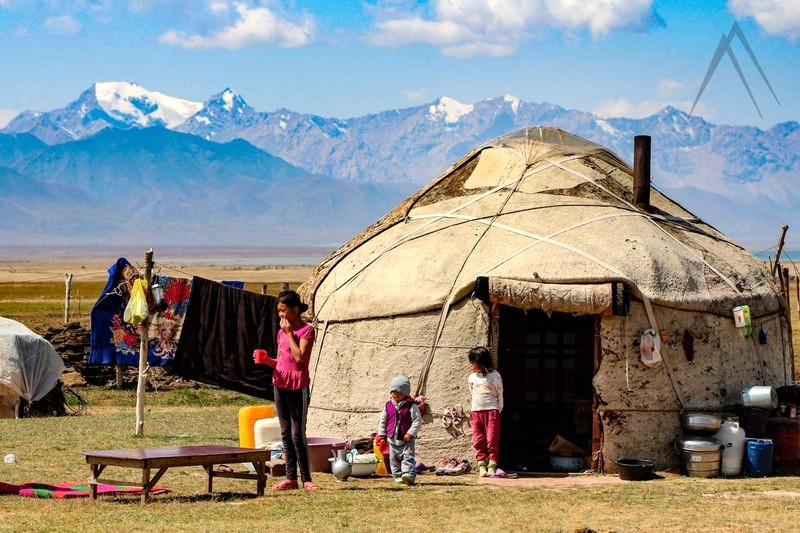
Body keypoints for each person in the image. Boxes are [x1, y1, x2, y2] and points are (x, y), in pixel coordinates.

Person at [253, 290, 317, 490]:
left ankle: (307, 479)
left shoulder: (306, 331)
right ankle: (291, 478)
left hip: (298, 386)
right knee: (285, 433)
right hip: (279, 384)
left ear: (295, 310)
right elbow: (282, 361)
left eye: (284, 310)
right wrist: (266, 361)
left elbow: (299, 359)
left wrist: (290, 334)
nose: (281, 315)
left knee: (298, 433)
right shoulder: (281, 332)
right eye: (279, 311)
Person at [377, 375, 421, 485]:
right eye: (393, 391)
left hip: (406, 439)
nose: (395, 394)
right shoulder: (388, 405)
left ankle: (408, 474)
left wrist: (410, 433)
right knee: (394, 459)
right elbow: (383, 421)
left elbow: (417, 421)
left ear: (405, 393)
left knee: (407, 457)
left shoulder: (411, 406)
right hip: (392, 438)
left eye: (399, 392)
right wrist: (382, 435)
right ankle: (397, 475)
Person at [468, 346, 503, 477]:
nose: (471, 365)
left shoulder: (495, 376)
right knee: (478, 440)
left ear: (480, 362)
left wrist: (497, 411)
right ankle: (482, 465)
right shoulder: (472, 378)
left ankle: (492, 465)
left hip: (492, 411)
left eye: (473, 362)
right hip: (476, 412)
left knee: (492, 439)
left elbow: (500, 394)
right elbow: (472, 393)